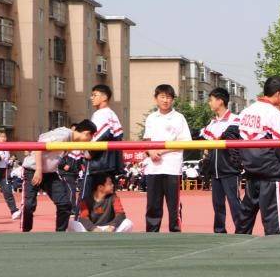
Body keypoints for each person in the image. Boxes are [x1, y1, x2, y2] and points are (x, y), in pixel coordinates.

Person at [234, 76, 280, 236]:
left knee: (246, 213)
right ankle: (275, 250)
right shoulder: (274, 114)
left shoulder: (247, 111)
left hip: (250, 170)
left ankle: (237, 244)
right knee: (273, 217)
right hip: (269, 171)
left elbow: (234, 136)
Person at [22, 120, 99, 232]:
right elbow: (39, 146)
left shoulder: (75, 142)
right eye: (91, 137)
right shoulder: (63, 134)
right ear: (86, 133)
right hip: (33, 170)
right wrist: (38, 170)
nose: (90, 140)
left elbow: (88, 155)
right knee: (29, 205)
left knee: (65, 204)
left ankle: (60, 233)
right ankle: (26, 232)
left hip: (50, 173)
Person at [141, 84, 191, 232]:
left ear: (173, 100)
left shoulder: (179, 118)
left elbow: (185, 142)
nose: (165, 100)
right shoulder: (151, 118)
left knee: (173, 204)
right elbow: (146, 140)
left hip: (172, 167)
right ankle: (152, 232)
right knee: (152, 204)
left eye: (169, 97)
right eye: (162, 97)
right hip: (153, 168)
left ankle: (175, 231)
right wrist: (151, 152)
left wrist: (161, 152)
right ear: (156, 99)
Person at [200, 86, 243, 234]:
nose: (209, 103)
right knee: (217, 205)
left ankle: (242, 230)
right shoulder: (211, 124)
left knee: (234, 203)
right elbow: (203, 140)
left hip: (230, 170)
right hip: (215, 171)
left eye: (211, 100)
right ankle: (219, 231)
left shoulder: (236, 120)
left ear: (220, 101)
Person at [83, 83, 125, 204]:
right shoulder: (112, 114)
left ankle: (88, 222)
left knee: (91, 198)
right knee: (106, 197)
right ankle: (110, 221)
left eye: (95, 95)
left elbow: (101, 137)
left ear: (104, 97)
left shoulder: (101, 114)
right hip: (108, 163)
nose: (92, 98)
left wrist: (90, 152)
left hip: (99, 163)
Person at [68, 175, 134, 233]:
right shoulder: (86, 199)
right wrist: (93, 228)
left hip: (109, 229)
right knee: (72, 224)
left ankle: (111, 240)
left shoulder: (114, 197)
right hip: (92, 229)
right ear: (100, 187)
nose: (113, 185)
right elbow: (84, 217)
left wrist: (112, 226)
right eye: (110, 183)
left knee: (128, 223)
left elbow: (120, 214)